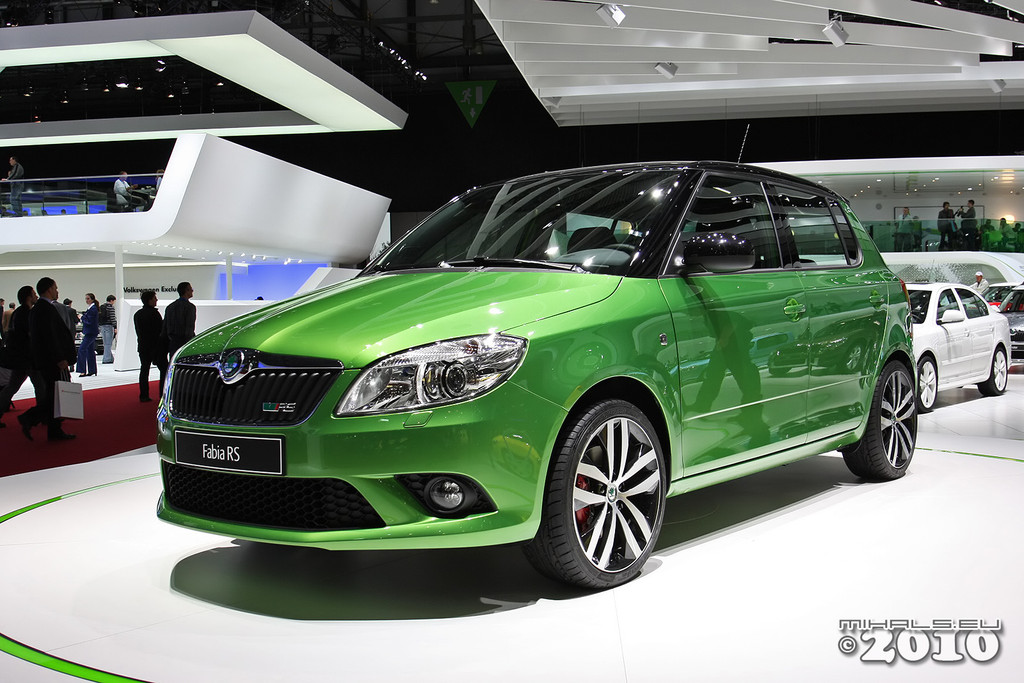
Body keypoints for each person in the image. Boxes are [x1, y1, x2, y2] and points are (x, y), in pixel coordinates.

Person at [24, 277, 76, 441]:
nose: (57, 291)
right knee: (54, 395)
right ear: (49, 289)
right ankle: (31, 418)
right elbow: (50, 336)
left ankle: (53, 429)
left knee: (53, 395)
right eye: (55, 288)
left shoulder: (39, 309)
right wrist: (60, 358)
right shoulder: (45, 309)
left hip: (46, 359)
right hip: (51, 360)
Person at [0, 286, 40, 430]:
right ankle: (37, 417)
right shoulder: (27, 313)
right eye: (34, 294)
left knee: (12, 387)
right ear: (29, 297)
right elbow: (30, 334)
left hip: (20, 357)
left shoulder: (18, 312)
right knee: (40, 387)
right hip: (28, 357)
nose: (36, 296)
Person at [134, 290, 168, 402]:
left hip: (143, 346)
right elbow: (160, 331)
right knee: (164, 369)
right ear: (149, 300)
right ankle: (162, 393)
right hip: (155, 346)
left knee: (144, 369)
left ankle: (143, 394)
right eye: (154, 298)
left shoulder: (138, 314)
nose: (156, 300)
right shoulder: (154, 314)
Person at [162, 281, 196, 359]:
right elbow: (189, 327)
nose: (192, 291)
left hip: (173, 342)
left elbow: (165, 327)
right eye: (191, 289)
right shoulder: (190, 307)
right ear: (186, 290)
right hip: (184, 343)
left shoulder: (170, 307)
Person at [77, 293, 99, 377]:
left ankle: (82, 370)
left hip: (90, 332)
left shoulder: (92, 309)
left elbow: (89, 321)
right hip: (91, 332)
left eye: (88, 298)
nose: (86, 300)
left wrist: (81, 317)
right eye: (86, 299)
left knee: (82, 350)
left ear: (92, 299)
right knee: (90, 351)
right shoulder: (92, 308)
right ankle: (92, 370)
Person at [98, 294, 117, 364]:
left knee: (105, 343)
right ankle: (106, 359)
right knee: (108, 343)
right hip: (109, 326)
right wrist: (115, 326)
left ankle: (110, 358)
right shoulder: (110, 307)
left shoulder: (102, 307)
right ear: (111, 300)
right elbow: (112, 318)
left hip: (102, 326)